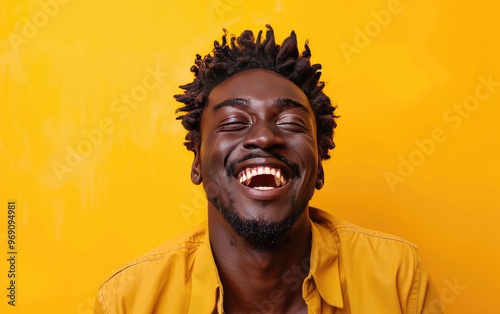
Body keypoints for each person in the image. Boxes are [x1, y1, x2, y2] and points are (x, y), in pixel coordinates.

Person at [94, 25, 441, 313]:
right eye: (233, 122)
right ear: (198, 161)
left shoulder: (396, 277)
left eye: (290, 122)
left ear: (318, 166)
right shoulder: (129, 300)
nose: (263, 136)